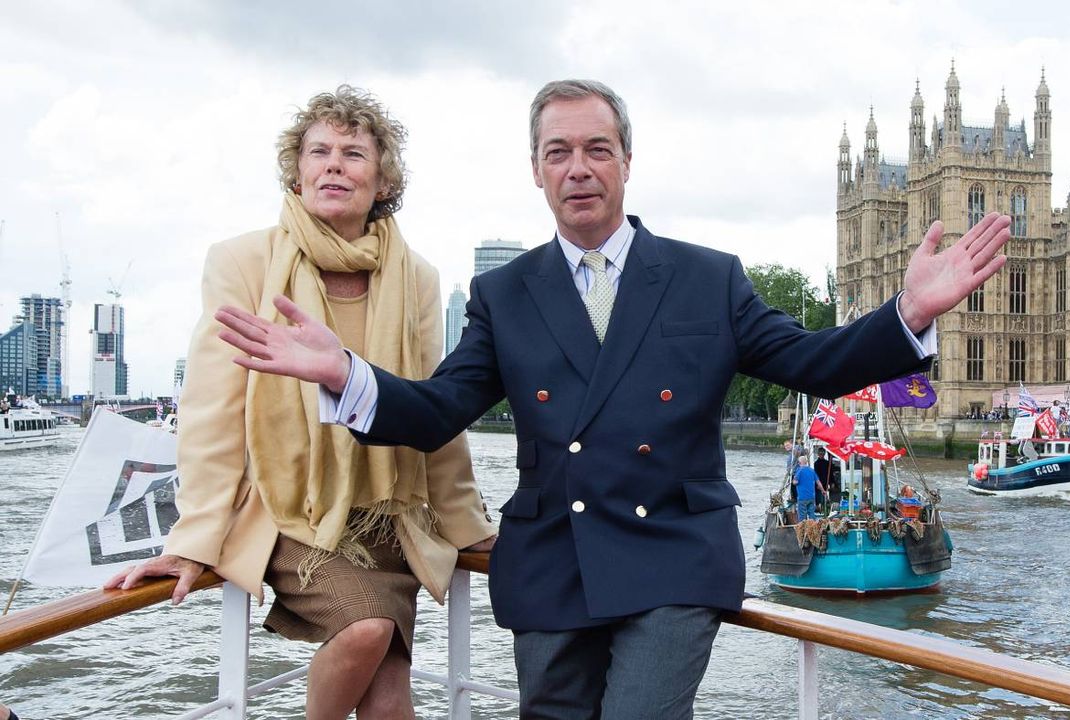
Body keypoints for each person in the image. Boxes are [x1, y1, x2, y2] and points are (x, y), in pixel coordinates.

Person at [214, 79, 1011, 719]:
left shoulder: (709, 277)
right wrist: (344, 373)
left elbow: (812, 361)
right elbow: (438, 410)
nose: (578, 168)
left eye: (597, 148)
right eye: (557, 152)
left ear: (628, 158)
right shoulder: (505, 292)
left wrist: (907, 315)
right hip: (554, 568)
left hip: (672, 560)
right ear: (536, 169)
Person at [105, 86, 495, 720]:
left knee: (390, 699)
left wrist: (468, 525)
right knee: (367, 631)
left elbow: (434, 410)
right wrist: (195, 536)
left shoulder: (415, 276)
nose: (333, 164)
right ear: (297, 169)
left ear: (383, 177)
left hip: (386, 513)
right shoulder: (243, 261)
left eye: (353, 153)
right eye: (318, 151)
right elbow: (212, 410)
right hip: (289, 511)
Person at [792, 454, 823, 521]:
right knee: (812, 515)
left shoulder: (799, 471)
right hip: (811, 497)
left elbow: (795, 482)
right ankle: (813, 529)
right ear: (806, 462)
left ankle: (803, 530)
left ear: (799, 463)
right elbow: (818, 482)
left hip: (802, 497)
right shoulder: (812, 470)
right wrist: (823, 491)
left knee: (802, 517)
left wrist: (794, 481)